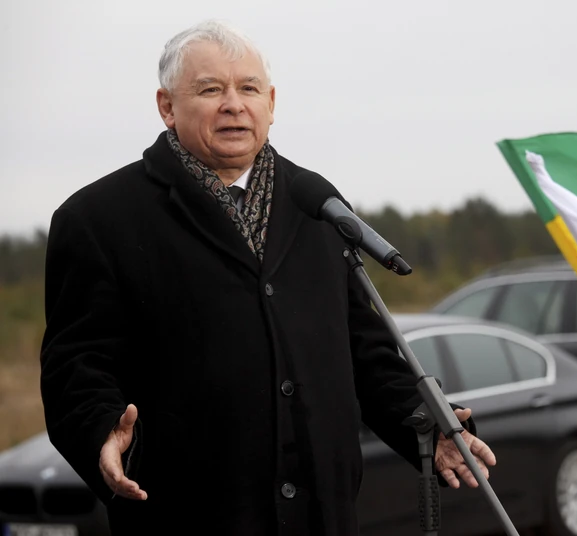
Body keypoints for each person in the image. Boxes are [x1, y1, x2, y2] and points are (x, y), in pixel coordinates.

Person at [39, 19, 496, 536]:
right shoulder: (99, 219)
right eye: (210, 89)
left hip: (321, 514)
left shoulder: (316, 204)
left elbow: (363, 350)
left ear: (271, 103)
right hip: (188, 515)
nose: (234, 104)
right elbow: (76, 363)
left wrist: (427, 424)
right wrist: (99, 431)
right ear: (167, 106)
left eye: (249, 89)